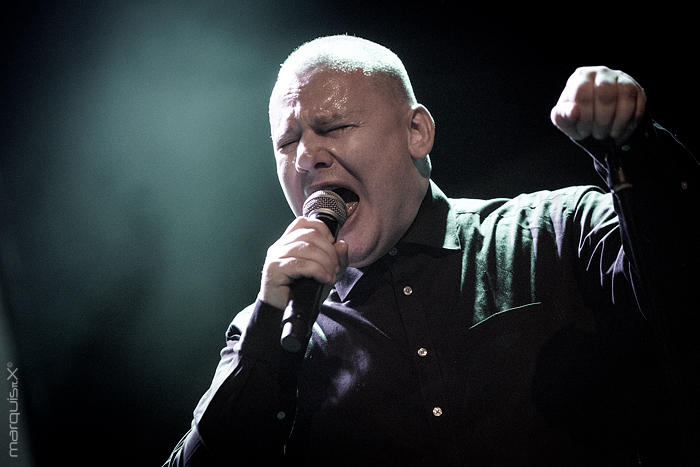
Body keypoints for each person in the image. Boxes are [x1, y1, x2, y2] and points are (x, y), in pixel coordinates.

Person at [165, 35, 698, 466]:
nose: (305, 157)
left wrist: (635, 152)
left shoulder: (556, 229)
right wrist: (267, 333)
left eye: (335, 127)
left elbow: (693, 297)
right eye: (287, 143)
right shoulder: (275, 323)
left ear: (417, 131)